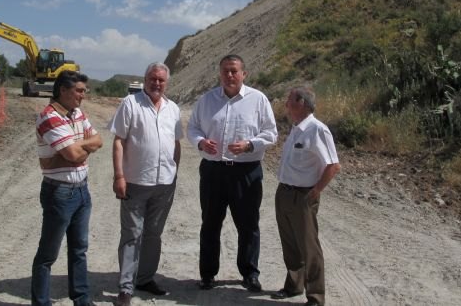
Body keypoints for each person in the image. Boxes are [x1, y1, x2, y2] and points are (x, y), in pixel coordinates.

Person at [187, 54, 278, 292]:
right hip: (213, 171)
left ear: (244, 74)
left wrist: (250, 144)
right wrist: (200, 142)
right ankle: (207, 274)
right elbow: (192, 128)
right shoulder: (206, 100)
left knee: (248, 225)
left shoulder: (258, 100)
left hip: (246, 171)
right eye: (226, 71)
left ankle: (249, 273)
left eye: (234, 71)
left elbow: (271, 133)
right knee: (210, 224)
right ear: (220, 73)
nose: (230, 75)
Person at [109, 63, 182, 306]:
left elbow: (176, 144)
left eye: (161, 80)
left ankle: (145, 278)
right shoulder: (130, 104)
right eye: (153, 79)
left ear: (167, 82)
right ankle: (126, 288)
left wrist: (175, 173)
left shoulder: (173, 109)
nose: (157, 83)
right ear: (145, 79)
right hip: (135, 183)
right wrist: (119, 176)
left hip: (164, 185)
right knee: (132, 234)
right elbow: (119, 141)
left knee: (153, 234)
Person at [31, 70, 103, 306]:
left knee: (79, 249)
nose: (83, 96)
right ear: (63, 90)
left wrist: (76, 145)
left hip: (82, 190)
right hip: (59, 193)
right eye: (79, 91)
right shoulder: (49, 117)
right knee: (48, 255)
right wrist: (80, 146)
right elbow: (73, 154)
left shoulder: (77, 113)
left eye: (84, 91)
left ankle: (81, 300)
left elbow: (99, 140)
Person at [271, 86, 341, 306]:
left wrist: (316, 190)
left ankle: (315, 297)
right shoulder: (296, 128)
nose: (286, 104)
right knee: (290, 244)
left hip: (303, 195)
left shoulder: (317, 129)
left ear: (301, 103)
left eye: (289, 100)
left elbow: (333, 165)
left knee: (309, 248)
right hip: (284, 192)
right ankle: (293, 285)